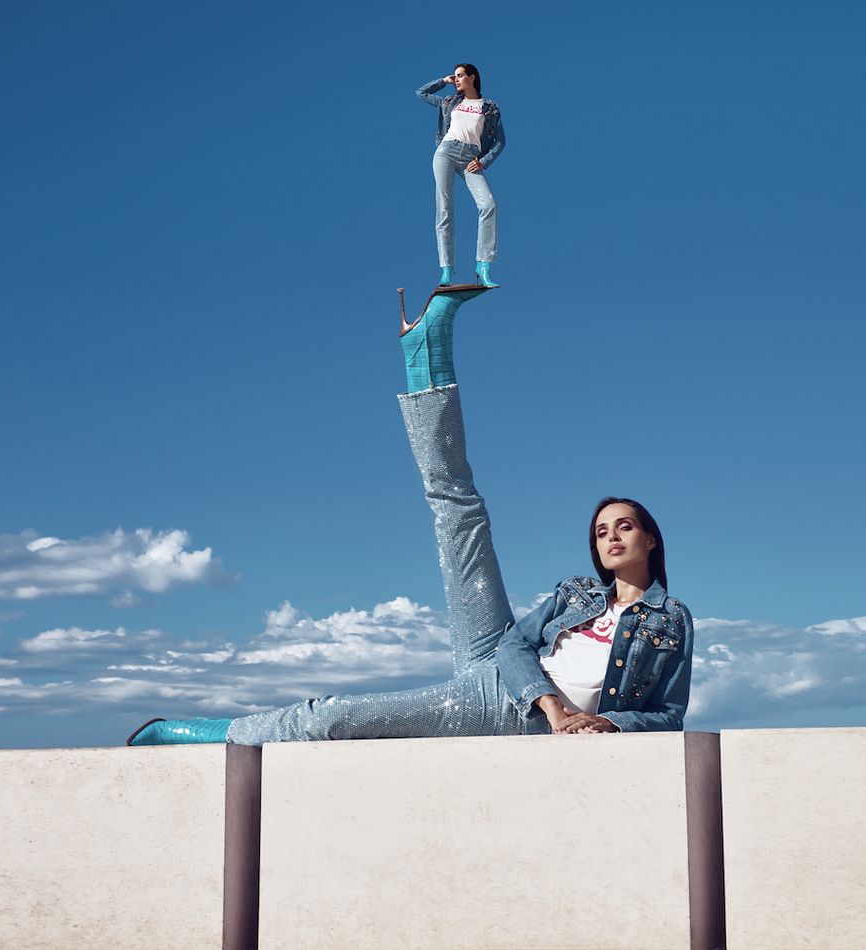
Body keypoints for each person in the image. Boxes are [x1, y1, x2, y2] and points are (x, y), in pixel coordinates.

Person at [127, 288, 693, 746]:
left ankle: (210, 733)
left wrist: (608, 723)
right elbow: (515, 647)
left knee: (338, 718)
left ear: (650, 539)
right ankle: (427, 354)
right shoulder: (576, 593)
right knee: (460, 510)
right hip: (507, 670)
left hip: (500, 708)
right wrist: (553, 707)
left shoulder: (670, 622)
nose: (610, 537)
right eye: (601, 531)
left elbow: (669, 714)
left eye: (623, 527)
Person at [417, 64, 504, 288]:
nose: (456, 79)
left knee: (489, 205)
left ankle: (483, 266)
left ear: (472, 77)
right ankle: (447, 271)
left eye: (460, 76)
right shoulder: (448, 101)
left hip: (471, 159)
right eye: (454, 76)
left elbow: (500, 140)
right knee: (444, 210)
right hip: (446, 153)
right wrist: (443, 81)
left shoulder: (489, 107)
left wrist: (484, 161)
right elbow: (421, 92)